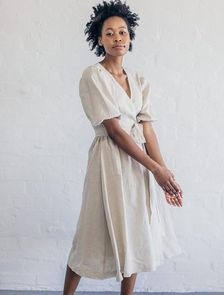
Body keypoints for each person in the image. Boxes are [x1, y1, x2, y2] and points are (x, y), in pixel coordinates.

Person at [63, 1, 184, 294]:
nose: (118, 37)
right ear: (99, 39)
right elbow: (115, 131)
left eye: (123, 32)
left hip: (139, 164)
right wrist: (155, 169)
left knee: (137, 232)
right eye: (110, 33)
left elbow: (147, 129)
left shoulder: (140, 80)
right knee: (91, 232)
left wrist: (164, 171)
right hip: (109, 162)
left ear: (130, 37)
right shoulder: (93, 76)